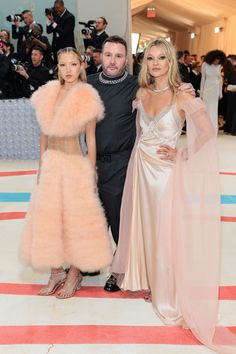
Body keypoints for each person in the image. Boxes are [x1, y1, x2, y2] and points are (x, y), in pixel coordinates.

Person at [111, 38, 236, 353]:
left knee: (165, 230)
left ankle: (166, 289)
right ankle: (148, 280)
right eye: (150, 58)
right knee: (144, 225)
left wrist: (182, 153)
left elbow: (206, 132)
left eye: (161, 58)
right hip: (140, 169)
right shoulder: (139, 93)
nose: (155, 64)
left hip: (164, 174)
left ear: (170, 62)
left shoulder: (182, 95)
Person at [88, 36, 194, 292]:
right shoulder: (89, 84)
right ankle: (89, 260)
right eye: (108, 54)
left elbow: (201, 128)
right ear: (99, 56)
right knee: (95, 215)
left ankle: (121, 268)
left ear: (128, 59)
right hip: (100, 161)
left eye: (119, 55)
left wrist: (186, 90)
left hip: (126, 163)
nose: (113, 61)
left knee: (122, 218)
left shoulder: (134, 85)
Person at [20, 47, 112, 299]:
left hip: (74, 165)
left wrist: (90, 173)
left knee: (75, 223)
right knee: (49, 221)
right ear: (57, 67)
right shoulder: (47, 93)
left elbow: (91, 140)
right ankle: (55, 271)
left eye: (73, 64)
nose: (68, 70)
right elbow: (43, 136)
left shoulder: (87, 96)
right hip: (51, 164)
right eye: (63, 65)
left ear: (81, 65)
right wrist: (41, 166)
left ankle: (74, 273)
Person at [200, 49, 226, 133]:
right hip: (207, 89)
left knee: (214, 109)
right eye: (215, 60)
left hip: (215, 90)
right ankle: (205, 128)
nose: (217, 62)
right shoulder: (204, 65)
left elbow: (220, 80)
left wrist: (220, 92)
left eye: (219, 60)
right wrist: (201, 92)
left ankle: (213, 129)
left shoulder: (219, 66)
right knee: (206, 108)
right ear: (211, 58)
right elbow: (203, 78)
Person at [46, 0, 75, 64]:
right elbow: (48, 31)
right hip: (56, 48)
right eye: (55, 8)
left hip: (66, 47)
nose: (56, 10)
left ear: (62, 6)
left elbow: (63, 33)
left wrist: (53, 22)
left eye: (58, 8)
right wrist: (48, 21)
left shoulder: (70, 17)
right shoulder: (56, 15)